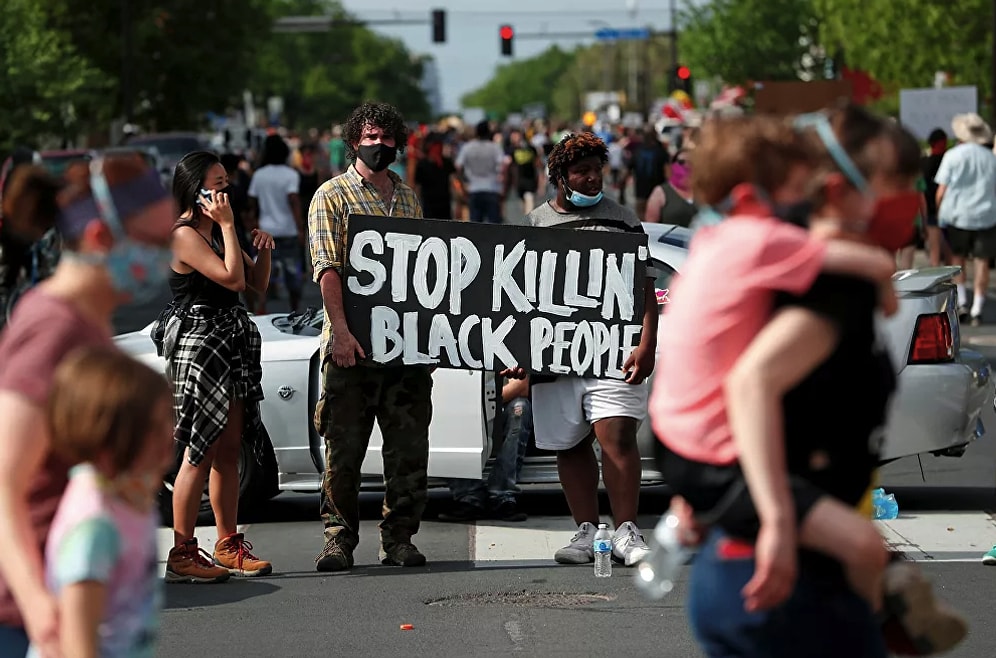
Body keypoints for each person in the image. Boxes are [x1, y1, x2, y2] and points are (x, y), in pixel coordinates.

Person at [671, 106, 965, 657]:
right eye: (898, 181)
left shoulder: (771, 266)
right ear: (835, 187)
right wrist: (770, 514)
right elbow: (750, 384)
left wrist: (699, 483)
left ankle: (881, 590)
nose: (912, 195)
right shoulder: (824, 282)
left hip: (751, 569)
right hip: (790, 588)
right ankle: (882, 597)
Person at [651, 112, 908, 613]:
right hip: (711, 453)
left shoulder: (712, 237)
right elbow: (873, 264)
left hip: (674, 439)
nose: (803, 202)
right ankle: (881, 616)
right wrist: (778, 522)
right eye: (795, 190)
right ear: (752, 197)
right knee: (863, 546)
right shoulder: (759, 238)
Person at [0, 154, 174, 658]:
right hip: (30, 622)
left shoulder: (91, 322)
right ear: (100, 238)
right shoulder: (53, 329)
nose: (168, 254)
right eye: (156, 242)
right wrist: (40, 611)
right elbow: (6, 486)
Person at [523, 132, 658, 567]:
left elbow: (645, 288)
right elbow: (513, 297)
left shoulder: (623, 220)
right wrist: (515, 353)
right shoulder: (533, 224)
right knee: (568, 443)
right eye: (581, 171)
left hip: (613, 350)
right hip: (554, 354)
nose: (591, 179)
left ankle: (625, 530)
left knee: (617, 434)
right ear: (559, 176)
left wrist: (645, 343)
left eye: (597, 170)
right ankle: (586, 530)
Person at [309, 101, 433, 572]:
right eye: (371, 136)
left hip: (404, 351)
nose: (379, 145)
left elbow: (427, 274)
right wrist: (340, 333)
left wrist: (433, 338)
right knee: (343, 452)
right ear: (354, 139)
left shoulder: (408, 199)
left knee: (408, 451)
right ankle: (338, 540)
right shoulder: (332, 196)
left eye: (387, 138)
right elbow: (328, 269)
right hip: (351, 351)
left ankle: (399, 538)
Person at [161, 151, 275, 584]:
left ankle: (227, 544)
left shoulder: (220, 229)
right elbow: (228, 279)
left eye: (227, 182)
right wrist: (229, 228)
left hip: (231, 340)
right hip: (201, 345)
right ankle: (182, 551)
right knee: (198, 450)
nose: (225, 191)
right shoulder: (186, 234)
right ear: (196, 189)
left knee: (229, 449)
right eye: (217, 183)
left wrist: (260, 250)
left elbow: (253, 284)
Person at [31, 348, 173, 658]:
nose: (171, 435)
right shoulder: (94, 525)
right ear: (113, 436)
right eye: (157, 426)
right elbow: (76, 638)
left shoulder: (127, 495)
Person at [438, 376, 533, 523]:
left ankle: (502, 495)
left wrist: (484, 401)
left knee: (520, 408)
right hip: (462, 403)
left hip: (499, 401)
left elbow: (520, 386)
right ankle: (470, 495)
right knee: (438, 408)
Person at [935, 112, 996, 325]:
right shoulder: (991, 158)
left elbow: (941, 191)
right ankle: (978, 307)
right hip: (986, 215)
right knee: (982, 263)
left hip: (956, 215)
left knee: (957, 259)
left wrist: (939, 211)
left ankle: (962, 301)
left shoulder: (952, 155)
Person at [249, 135, 303, 314]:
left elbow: (253, 204)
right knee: (292, 271)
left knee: (265, 271)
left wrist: (254, 225)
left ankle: (262, 305)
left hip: (265, 230)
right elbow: (293, 200)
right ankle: (294, 309)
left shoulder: (259, 175)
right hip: (288, 230)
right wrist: (300, 227)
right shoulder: (291, 174)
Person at [456, 120, 507, 224]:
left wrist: (462, 185)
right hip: (492, 188)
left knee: (475, 227)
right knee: (494, 226)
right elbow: (504, 166)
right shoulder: (494, 147)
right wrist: (504, 187)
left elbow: (458, 167)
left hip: (474, 189)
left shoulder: (467, 147)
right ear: (489, 133)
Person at [643, 149, 698, 226]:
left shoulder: (702, 191)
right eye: (681, 162)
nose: (686, 165)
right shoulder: (660, 192)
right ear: (673, 164)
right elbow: (650, 226)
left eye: (691, 162)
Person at [922, 128, 950, 266]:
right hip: (946, 208)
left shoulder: (924, 162)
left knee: (935, 248)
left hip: (933, 207)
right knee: (946, 248)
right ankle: (949, 277)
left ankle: (938, 277)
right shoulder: (948, 159)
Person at [414, 132, 457, 220]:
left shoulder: (446, 163)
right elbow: (417, 186)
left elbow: (454, 182)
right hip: (429, 205)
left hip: (444, 205)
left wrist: (457, 203)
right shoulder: (423, 164)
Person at [629, 128, 669, 219]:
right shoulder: (661, 151)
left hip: (641, 191)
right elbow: (668, 172)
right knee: (657, 219)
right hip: (658, 191)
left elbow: (628, 170)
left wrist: (621, 187)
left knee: (641, 219)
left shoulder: (637, 151)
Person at [508, 129, 542, 215]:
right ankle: (525, 219)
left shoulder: (531, 149)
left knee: (529, 201)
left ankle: (528, 221)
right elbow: (509, 165)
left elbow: (538, 163)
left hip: (530, 180)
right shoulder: (512, 150)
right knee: (522, 204)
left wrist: (541, 182)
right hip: (518, 181)